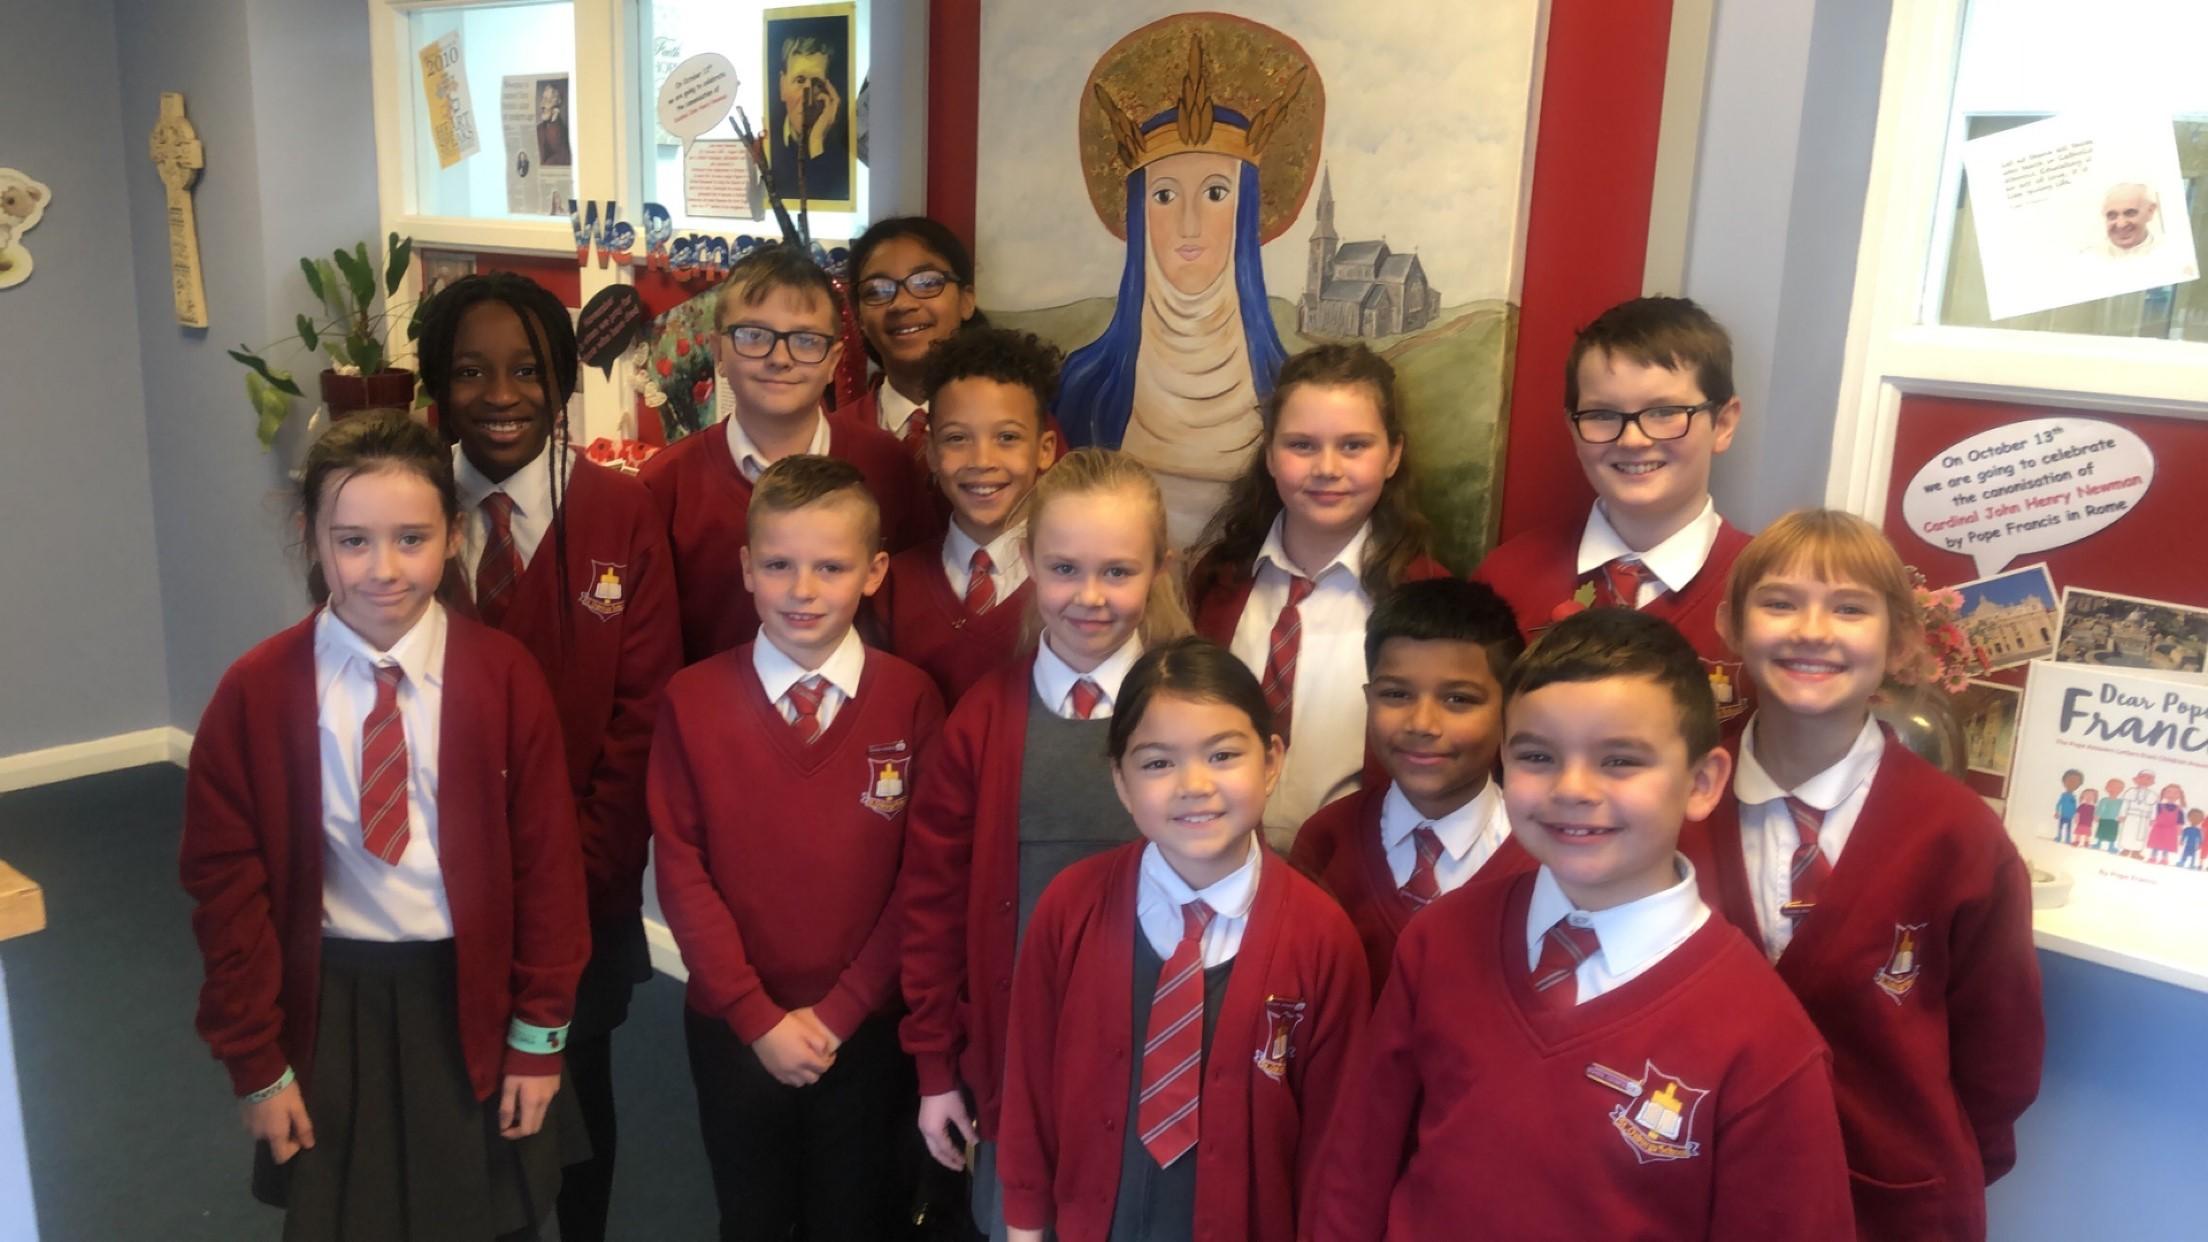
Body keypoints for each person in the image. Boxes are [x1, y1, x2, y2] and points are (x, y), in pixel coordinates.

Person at [1307, 607, 1854, 1241]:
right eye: (1538, 756)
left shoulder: (1765, 1041)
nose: (1572, 788)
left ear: (1702, 783)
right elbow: (1357, 1163)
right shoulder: (1441, 939)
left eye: (1619, 760)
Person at [181, 412, 589, 1241]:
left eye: (411, 538)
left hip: (473, 999)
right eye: (353, 541)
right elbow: (227, 896)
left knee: (489, 1217)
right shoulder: (255, 693)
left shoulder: (505, 680)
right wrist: (256, 1061)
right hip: (333, 1009)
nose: (384, 569)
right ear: (312, 538)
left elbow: (548, 872)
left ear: (453, 535)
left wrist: (539, 1038)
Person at [1690, 508, 2042, 1240]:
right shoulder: (1675, 803)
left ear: (1901, 638)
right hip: (1702, 1192)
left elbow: (1999, 1060)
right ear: (1731, 624)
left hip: (1891, 1205)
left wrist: (1927, 1177)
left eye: (1850, 609)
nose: (1813, 630)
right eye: (1780, 602)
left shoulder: (1958, 836)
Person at [419, 273, 682, 1242]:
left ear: (564, 381)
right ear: (436, 386)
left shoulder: (619, 513)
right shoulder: (409, 512)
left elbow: (641, 718)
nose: (501, 395)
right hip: (431, 887)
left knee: (577, 1097)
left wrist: (570, 883)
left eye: (528, 371)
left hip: (583, 882)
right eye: (471, 372)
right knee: (453, 1093)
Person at [649, 455, 946, 1240]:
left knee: (861, 1217)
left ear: (874, 572)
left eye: (831, 567)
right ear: (747, 568)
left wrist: (841, 1014)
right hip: (734, 1028)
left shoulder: (911, 700)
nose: (803, 589)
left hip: (868, 1029)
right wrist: (756, 1019)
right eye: (779, 565)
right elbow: (680, 870)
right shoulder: (693, 700)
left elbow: (923, 878)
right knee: (753, 1217)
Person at [898, 449, 1192, 1240]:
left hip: (1161, 1072)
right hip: (1018, 1069)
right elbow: (931, 907)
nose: (1089, 597)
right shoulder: (984, 721)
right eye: (1064, 569)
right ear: (1028, 563)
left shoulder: (1196, 721)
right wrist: (936, 1067)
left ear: (1159, 570)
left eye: (1118, 571)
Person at [995, 637, 1368, 1241]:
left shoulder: (1322, 938)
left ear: (1271, 761)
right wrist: (1023, 1227)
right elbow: (1030, 1084)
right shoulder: (1071, 907)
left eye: (1223, 755)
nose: (1194, 784)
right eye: (1157, 764)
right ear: (1120, 781)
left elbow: (1338, 1143)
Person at [1187, 343, 1449, 847]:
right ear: (1269, 454)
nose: (1327, 468)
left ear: (1393, 455)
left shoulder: (1429, 599)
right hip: (1216, 859)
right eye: (1302, 445)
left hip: (1351, 867)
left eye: (1354, 446)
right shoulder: (1216, 582)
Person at [1058, 34, 1306, 543]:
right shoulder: (1086, 386)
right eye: (1164, 196)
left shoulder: (1289, 392)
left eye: (1215, 192)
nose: (1189, 225)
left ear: (1245, 210)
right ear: (1138, 212)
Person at [1472, 296, 1754, 735]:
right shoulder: (1506, 580)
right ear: (1573, 427)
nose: (1633, 440)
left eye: (1665, 412)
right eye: (1603, 415)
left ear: (1723, 424)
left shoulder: (1767, 592)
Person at [638, 243, 923, 664]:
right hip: (709, 703)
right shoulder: (666, 484)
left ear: (833, 360)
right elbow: (653, 644)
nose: (780, 358)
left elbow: (913, 614)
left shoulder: (888, 467)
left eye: (806, 340)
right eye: (754, 336)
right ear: (718, 351)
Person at [1288, 578, 1533, 993]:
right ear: (1369, 699)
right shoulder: (1327, 840)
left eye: (1458, 699)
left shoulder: (1543, 856)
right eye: (1397, 694)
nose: (1422, 724)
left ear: (1510, 709)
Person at [873, 327, 1060, 706]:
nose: (982, 461)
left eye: (1007, 437)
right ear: (931, 452)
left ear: (1045, 450)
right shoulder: (890, 587)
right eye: (957, 438)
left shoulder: (1073, 584)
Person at [846, 217, 985, 454]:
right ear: (859, 317)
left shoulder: (1021, 429)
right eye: (877, 290)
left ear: (966, 300)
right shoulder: (831, 440)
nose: (901, 304)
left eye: (927, 282)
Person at [766, 34, 849, 205]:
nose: (808, 99)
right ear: (783, 86)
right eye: (800, 80)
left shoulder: (843, 153)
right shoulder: (768, 140)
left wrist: (816, 142)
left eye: (818, 84)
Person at [2098, 182, 2160, 257]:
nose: (2121, 224)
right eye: (2112, 216)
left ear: (2150, 211)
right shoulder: (2090, 258)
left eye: (2130, 213)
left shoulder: (2170, 253)